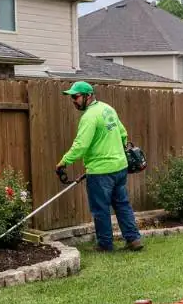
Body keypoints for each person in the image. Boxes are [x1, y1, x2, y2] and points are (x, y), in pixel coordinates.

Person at [57, 81, 143, 251]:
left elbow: (81, 145)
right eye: (71, 97)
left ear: (88, 96)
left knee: (100, 209)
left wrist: (64, 162)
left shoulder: (89, 117)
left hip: (100, 172)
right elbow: (123, 133)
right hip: (120, 167)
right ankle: (134, 240)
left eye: (75, 97)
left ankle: (105, 245)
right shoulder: (108, 109)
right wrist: (117, 152)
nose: (73, 100)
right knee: (122, 204)